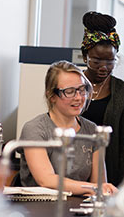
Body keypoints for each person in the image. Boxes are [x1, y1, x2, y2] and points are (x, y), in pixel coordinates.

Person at [19, 60, 117, 195]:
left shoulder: (92, 130)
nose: (78, 98)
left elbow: (99, 184)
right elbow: (46, 180)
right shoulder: (35, 129)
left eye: (82, 90)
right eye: (69, 92)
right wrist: (93, 188)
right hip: (39, 209)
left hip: (78, 208)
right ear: (51, 95)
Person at [79, 11, 124, 187]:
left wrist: (123, 186)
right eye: (96, 61)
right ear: (84, 57)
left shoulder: (123, 92)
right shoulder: (70, 85)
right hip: (71, 174)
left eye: (110, 62)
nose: (104, 68)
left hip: (109, 178)